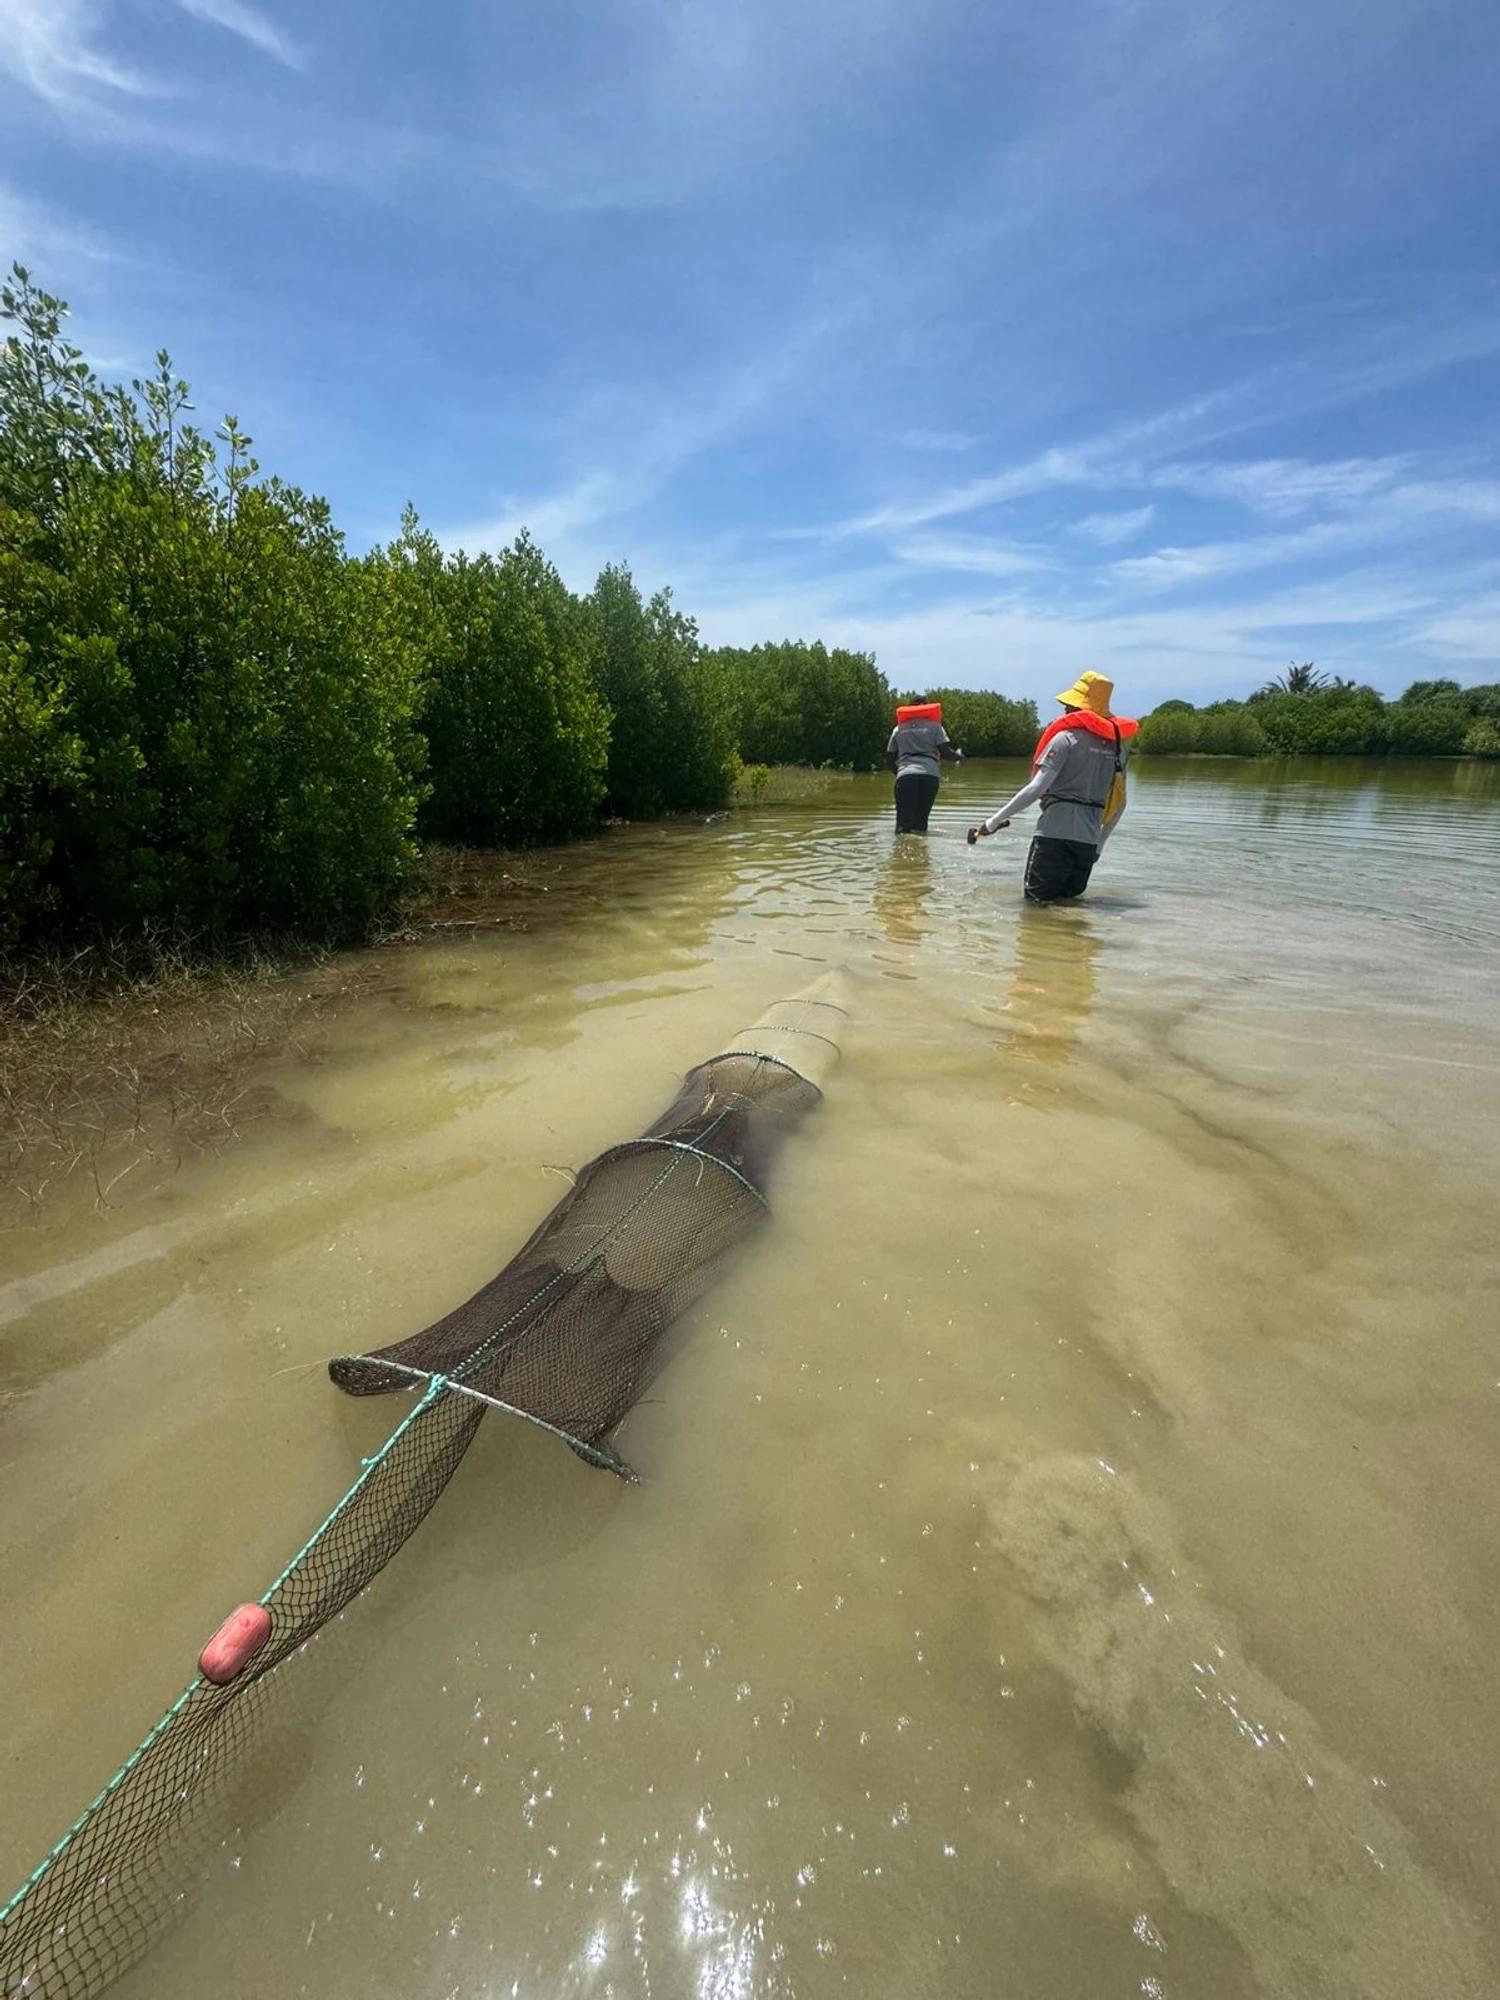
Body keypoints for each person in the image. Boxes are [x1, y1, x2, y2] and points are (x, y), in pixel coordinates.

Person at [967, 672, 1138, 902]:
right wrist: (1099, 845)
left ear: (1079, 708)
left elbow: (1036, 789)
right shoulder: (1119, 749)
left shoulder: (1065, 739)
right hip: (1087, 843)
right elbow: (1121, 804)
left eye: (1069, 705)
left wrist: (992, 822)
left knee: (1036, 910)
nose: (1065, 710)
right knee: (1068, 910)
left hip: (1054, 837)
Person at [886, 700, 963, 834]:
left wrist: (900, 773)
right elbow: (945, 752)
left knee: (902, 824)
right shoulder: (936, 727)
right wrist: (960, 757)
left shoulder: (899, 729)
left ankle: (899, 853)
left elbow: (889, 759)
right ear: (927, 708)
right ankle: (920, 852)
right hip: (930, 777)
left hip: (906, 775)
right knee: (921, 824)